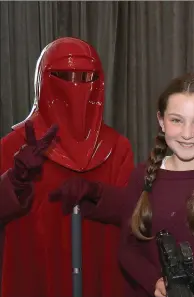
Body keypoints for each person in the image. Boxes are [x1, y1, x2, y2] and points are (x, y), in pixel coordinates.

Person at [49, 73, 194, 297]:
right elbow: (127, 248)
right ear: (161, 121)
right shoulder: (142, 175)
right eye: (176, 120)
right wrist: (155, 282)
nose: (187, 134)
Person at [0, 37, 134, 297]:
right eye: (65, 76)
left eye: (86, 78)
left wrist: (97, 194)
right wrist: (14, 181)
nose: (76, 86)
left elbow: (134, 216)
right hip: (34, 277)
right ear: (44, 80)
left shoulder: (116, 147)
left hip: (101, 276)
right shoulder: (13, 147)